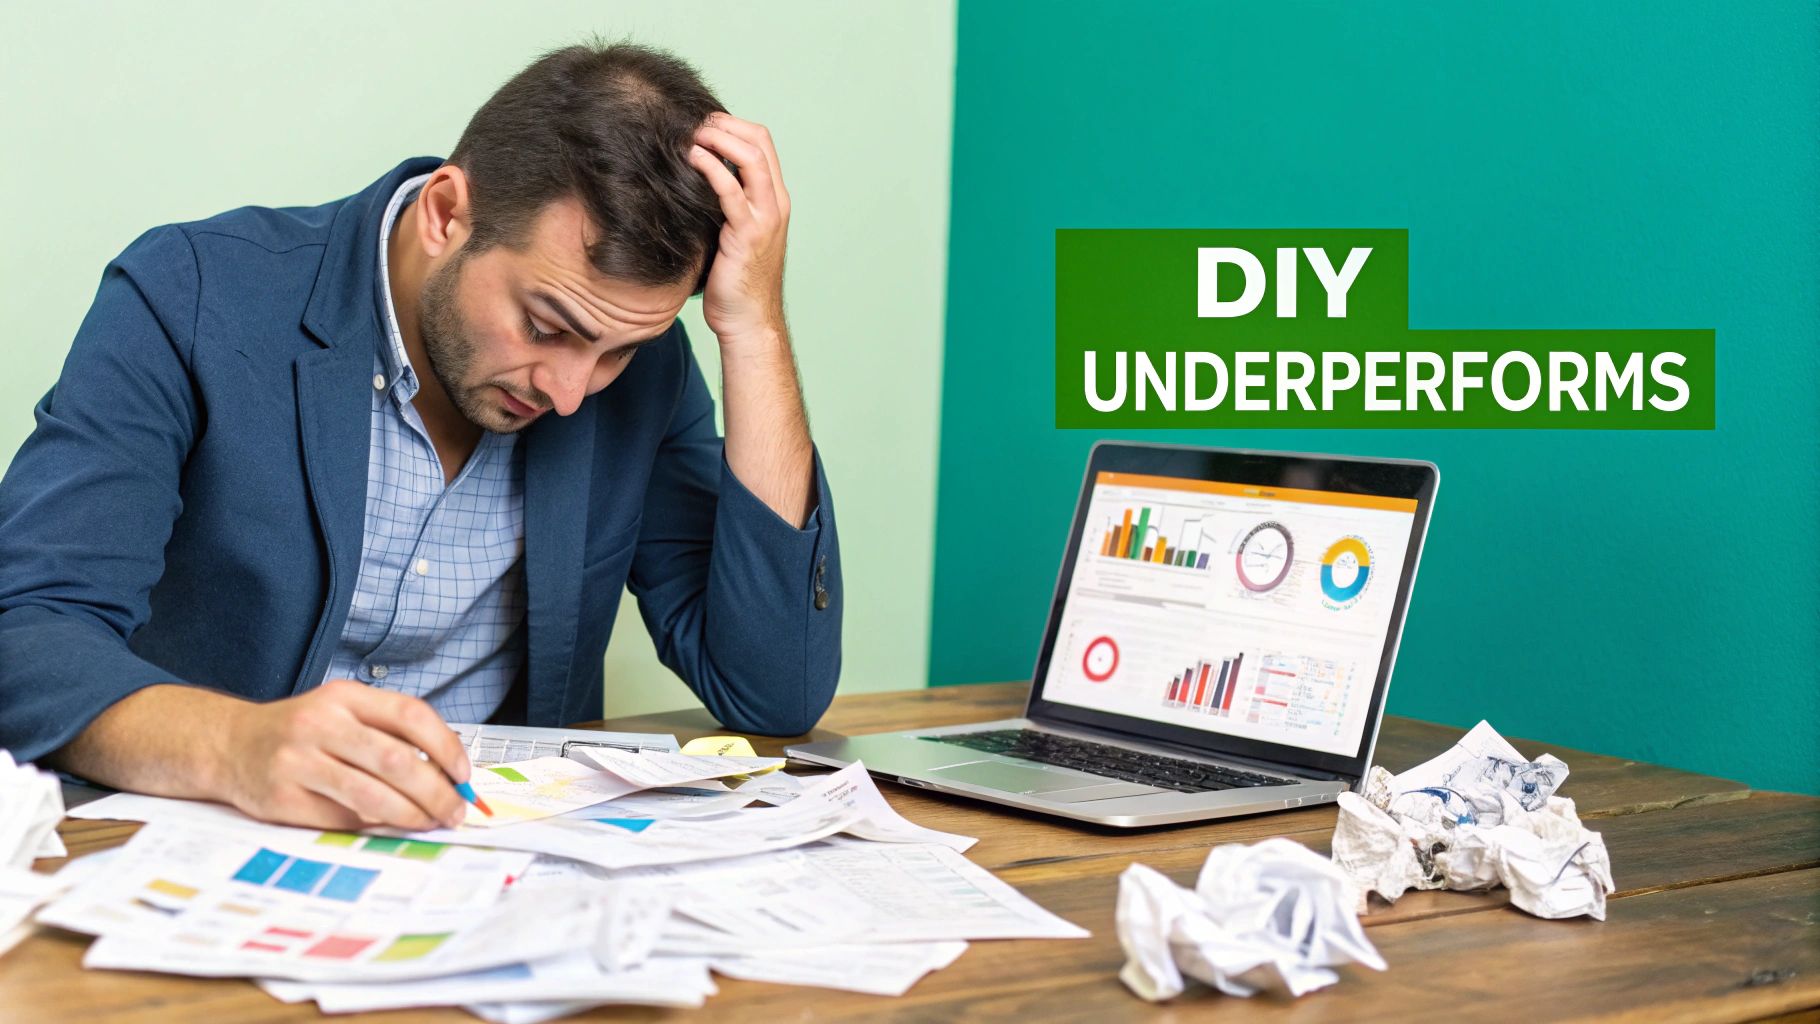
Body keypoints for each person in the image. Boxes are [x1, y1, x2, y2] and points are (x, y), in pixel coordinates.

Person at [0, 43, 840, 832]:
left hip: (493, 869)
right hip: (202, 850)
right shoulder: (191, 294)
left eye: (617, 350)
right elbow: (27, 632)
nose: (572, 391)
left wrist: (756, 327)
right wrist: (235, 746)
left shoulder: (635, 371)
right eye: (545, 325)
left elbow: (773, 690)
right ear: (446, 213)